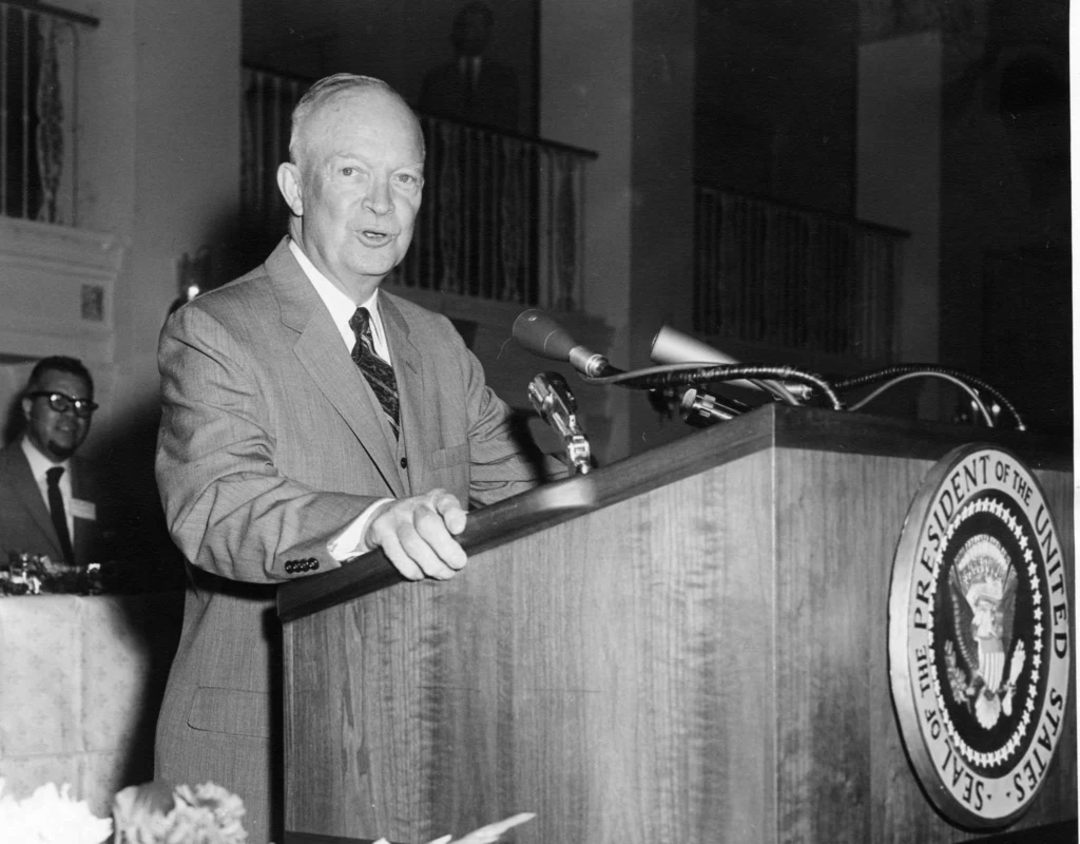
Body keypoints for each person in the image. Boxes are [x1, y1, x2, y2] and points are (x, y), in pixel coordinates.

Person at [154, 73, 557, 844]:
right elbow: (218, 507)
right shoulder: (216, 331)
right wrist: (373, 524)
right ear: (294, 187)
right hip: (261, 758)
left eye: (404, 179)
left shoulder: (438, 343)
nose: (382, 203)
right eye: (353, 172)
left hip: (422, 750)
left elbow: (525, 500)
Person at [0, 356, 109, 566]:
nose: (71, 414)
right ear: (29, 406)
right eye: (58, 402)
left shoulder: (106, 485)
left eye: (82, 406)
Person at [418, 1, 521, 133]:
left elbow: (509, 121)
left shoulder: (504, 78)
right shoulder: (436, 78)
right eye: (465, 26)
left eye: (477, 27)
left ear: (488, 32)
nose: (470, 33)